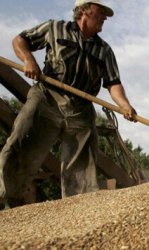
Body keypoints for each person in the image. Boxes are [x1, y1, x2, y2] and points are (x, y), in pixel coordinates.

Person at [0, 0, 136, 207]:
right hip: (47, 98)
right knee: (21, 144)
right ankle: (9, 199)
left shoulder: (104, 50)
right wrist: (28, 59)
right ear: (84, 11)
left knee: (81, 167)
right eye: (101, 12)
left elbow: (113, 83)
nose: (105, 18)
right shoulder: (55, 28)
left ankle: (77, 211)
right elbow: (20, 40)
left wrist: (125, 105)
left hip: (80, 109)